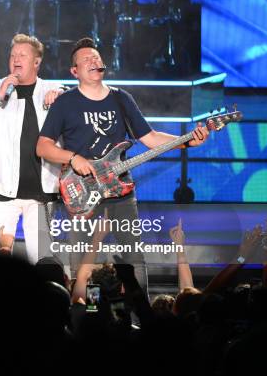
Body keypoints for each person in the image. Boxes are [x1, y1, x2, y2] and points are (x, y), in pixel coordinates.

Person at [36, 37, 210, 294]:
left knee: (133, 260)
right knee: (82, 261)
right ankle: (86, 319)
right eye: (86, 59)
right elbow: (43, 147)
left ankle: (140, 318)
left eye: (96, 57)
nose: (94, 61)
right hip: (82, 195)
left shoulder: (121, 98)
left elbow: (150, 138)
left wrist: (187, 142)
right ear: (75, 71)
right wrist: (73, 158)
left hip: (121, 195)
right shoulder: (66, 102)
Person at [0, 34, 64, 263]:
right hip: (1, 195)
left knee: (42, 261)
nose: (16, 59)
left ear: (37, 62)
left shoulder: (53, 90)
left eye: (22, 55)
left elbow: (71, 108)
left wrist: (61, 96)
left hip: (42, 195)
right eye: (13, 55)